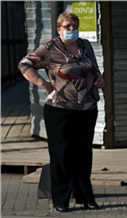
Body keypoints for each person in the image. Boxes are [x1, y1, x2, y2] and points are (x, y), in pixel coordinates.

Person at [18, 12, 105, 212]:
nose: (71, 30)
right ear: (59, 29)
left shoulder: (85, 45)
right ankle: (61, 199)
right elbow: (24, 64)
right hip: (59, 109)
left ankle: (85, 197)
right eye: (67, 26)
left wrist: (100, 80)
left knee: (84, 153)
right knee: (62, 154)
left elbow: (95, 70)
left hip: (87, 107)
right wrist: (44, 84)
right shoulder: (50, 48)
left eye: (74, 26)